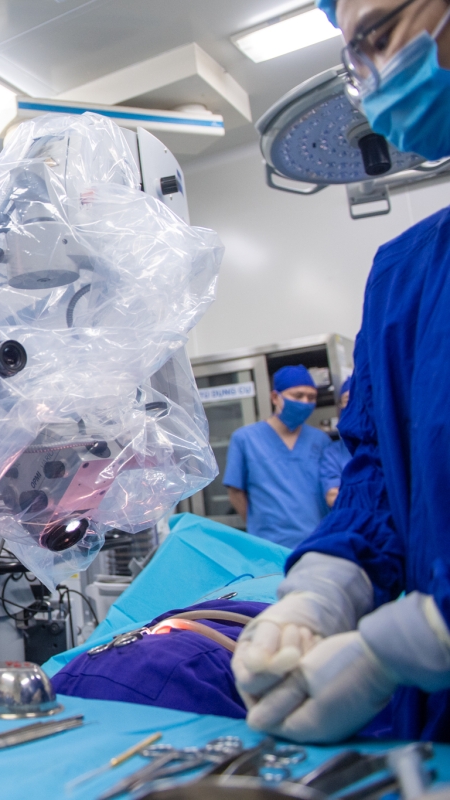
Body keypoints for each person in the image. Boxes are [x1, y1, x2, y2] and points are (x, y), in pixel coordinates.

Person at [232, 0, 450, 744]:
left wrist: (416, 641)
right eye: (355, 60)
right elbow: (377, 476)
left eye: (379, 37)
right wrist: (323, 589)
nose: (372, 77)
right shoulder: (405, 274)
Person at [223, 366, 331, 548]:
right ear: (275, 397)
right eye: (298, 396)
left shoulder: (321, 440)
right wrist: (259, 527)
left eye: (311, 397)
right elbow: (235, 492)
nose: (305, 402)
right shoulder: (245, 439)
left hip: (318, 542)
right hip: (269, 545)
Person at [319, 381, 353, 507]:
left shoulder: (389, 446)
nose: (354, 404)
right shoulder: (334, 453)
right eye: (348, 400)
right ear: (339, 408)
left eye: (360, 398)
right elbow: (333, 497)